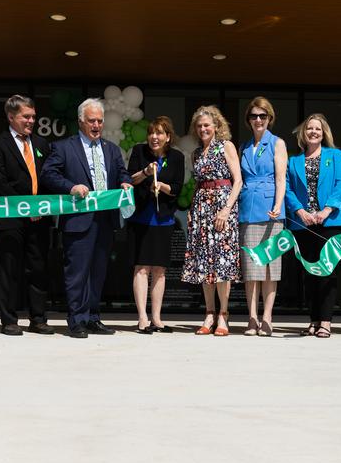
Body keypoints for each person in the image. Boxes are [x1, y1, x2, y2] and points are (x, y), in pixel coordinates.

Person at [41, 98, 132, 339]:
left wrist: (125, 182)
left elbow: (122, 173)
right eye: (92, 121)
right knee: (77, 272)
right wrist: (70, 186)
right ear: (81, 121)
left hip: (105, 220)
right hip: (78, 220)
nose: (97, 125)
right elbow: (48, 174)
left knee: (98, 272)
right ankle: (76, 320)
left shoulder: (111, 149)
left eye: (100, 121)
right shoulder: (63, 147)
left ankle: (92, 317)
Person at [0, 95, 55, 336]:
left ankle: (38, 318)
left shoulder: (41, 143)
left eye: (33, 116)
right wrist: (27, 208)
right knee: (9, 269)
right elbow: (0, 182)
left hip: (40, 218)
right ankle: (9, 319)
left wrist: (40, 207)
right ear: (11, 117)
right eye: (26, 116)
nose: (31, 121)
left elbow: (48, 178)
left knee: (38, 269)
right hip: (12, 218)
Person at [285, 114, 341, 338]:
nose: (313, 132)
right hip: (303, 223)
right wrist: (301, 212)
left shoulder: (336, 155)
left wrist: (326, 210)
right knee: (308, 274)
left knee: (327, 273)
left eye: (318, 129)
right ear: (304, 133)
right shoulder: (293, 161)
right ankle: (313, 319)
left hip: (330, 222)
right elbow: (287, 189)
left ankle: (326, 321)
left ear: (324, 133)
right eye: (310, 128)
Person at [181, 105, 243, 336]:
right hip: (201, 210)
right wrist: (192, 209)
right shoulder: (196, 153)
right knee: (205, 263)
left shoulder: (225, 146)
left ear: (216, 126)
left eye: (207, 125)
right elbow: (198, 183)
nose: (203, 129)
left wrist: (226, 210)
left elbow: (237, 181)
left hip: (222, 208)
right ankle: (208, 313)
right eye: (199, 126)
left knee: (222, 263)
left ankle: (223, 315)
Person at [126, 116, 185, 334]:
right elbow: (129, 179)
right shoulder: (139, 152)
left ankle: (157, 318)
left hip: (164, 219)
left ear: (168, 137)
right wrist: (145, 173)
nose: (154, 137)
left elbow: (178, 187)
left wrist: (163, 186)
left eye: (159, 133)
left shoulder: (177, 157)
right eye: (151, 132)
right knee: (141, 268)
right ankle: (142, 318)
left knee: (159, 270)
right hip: (141, 217)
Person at [238, 97, 287, 336]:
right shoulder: (244, 146)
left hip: (270, 210)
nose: (258, 120)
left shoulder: (278, 143)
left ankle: (267, 317)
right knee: (251, 268)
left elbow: (280, 178)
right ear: (249, 120)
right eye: (254, 116)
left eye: (263, 116)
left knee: (269, 267)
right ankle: (252, 317)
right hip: (247, 210)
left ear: (270, 118)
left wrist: (278, 204)